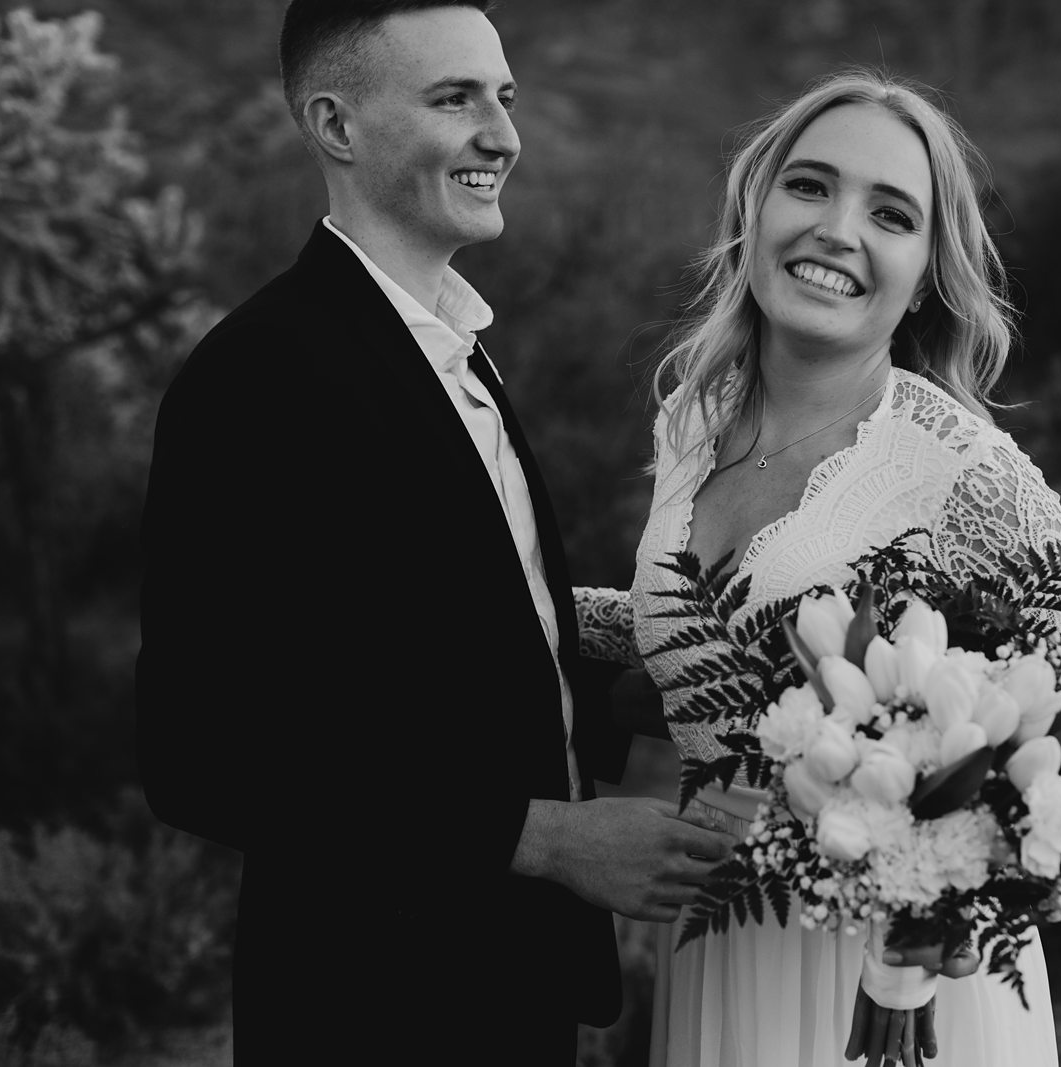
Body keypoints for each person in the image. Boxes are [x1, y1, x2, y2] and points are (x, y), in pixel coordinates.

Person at [135, 2, 734, 1063]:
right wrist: (544, 836)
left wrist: (639, 684)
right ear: (336, 125)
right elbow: (201, 746)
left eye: (503, 97)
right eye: (453, 98)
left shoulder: (457, 352)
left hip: (507, 988)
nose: (501, 134)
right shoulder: (261, 375)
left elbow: (410, 659)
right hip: (371, 1000)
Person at [576, 70, 1061, 1066]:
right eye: (808, 186)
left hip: (891, 982)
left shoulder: (967, 477)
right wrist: (524, 605)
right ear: (754, 208)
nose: (836, 229)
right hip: (717, 946)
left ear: (930, 269)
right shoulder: (693, 422)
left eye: (889, 212)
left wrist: (914, 898)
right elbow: (689, 640)